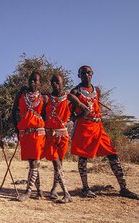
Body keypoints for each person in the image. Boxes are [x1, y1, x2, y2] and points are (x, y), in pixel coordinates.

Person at [71, 66, 139, 200]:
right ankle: (85, 188)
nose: (86, 75)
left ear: (92, 74)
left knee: (112, 154)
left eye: (88, 72)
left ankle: (124, 188)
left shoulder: (97, 90)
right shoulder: (75, 92)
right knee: (83, 157)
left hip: (98, 126)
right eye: (83, 73)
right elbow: (71, 115)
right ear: (78, 75)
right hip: (84, 127)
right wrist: (82, 113)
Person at [44, 74, 89, 203]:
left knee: (59, 164)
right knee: (56, 163)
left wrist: (74, 119)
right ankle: (65, 193)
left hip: (63, 135)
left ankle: (55, 190)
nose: (55, 84)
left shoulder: (68, 97)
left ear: (63, 82)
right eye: (52, 82)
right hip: (50, 135)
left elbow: (85, 110)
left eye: (57, 82)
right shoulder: (47, 97)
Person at [12, 71, 47, 202]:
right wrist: (17, 128)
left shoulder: (44, 97)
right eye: (30, 80)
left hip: (38, 132)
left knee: (34, 161)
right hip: (25, 133)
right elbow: (13, 111)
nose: (32, 82)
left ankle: (28, 191)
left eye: (35, 80)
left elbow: (46, 115)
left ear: (39, 82)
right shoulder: (21, 95)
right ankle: (39, 191)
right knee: (32, 161)